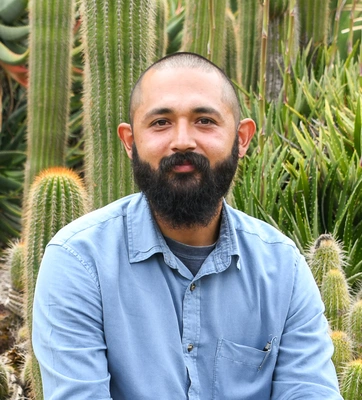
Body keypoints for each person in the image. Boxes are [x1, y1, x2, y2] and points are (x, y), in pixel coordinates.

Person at [32, 52, 342, 400]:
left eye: (205, 120)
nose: (182, 140)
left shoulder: (283, 269)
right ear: (130, 142)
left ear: (241, 138)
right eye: (161, 122)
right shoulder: (79, 262)